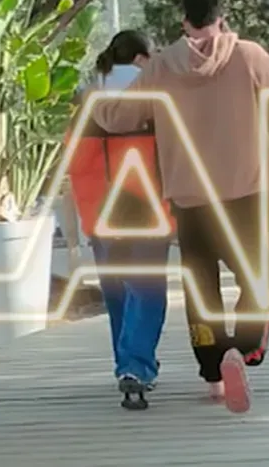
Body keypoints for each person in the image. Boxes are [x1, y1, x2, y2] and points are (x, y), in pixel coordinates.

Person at [92, 0, 269, 414]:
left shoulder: (162, 65)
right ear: (222, 18)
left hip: (189, 195)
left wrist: (97, 100)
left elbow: (117, 117)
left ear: (184, 22)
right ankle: (246, 348)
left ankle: (214, 374)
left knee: (202, 287)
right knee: (256, 277)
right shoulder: (250, 56)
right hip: (246, 190)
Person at [66, 30, 174, 411]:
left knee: (117, 293)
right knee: (147, 290)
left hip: (102, 214)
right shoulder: (157, 99)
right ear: (142, 58)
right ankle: (136, 366)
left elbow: (75, 164)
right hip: (148, 211)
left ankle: (127, 365)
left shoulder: (88, 100)